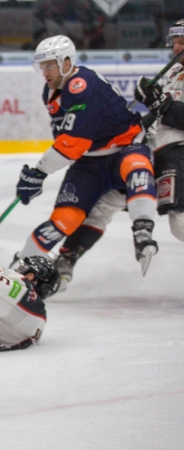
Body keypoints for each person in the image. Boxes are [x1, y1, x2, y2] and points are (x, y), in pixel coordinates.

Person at [53, 21, 184, 290]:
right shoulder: (174, 72)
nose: (178, 46)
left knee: (179, 221)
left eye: (183, 40)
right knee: (104, 200)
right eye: (176, 40)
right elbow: (159, 116)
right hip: (156, 151)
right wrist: (131, 127)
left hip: (179, 152)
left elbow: (170, 111)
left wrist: (162, 103)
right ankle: (66, 260)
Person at [13, 35, 158, 275]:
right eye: (42, 66)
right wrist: (39, 171)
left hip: (125, 149)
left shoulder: (82, 85)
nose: (45, 72)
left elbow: (73, 143)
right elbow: (66, 136)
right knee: (64, 218)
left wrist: (38, 172)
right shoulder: (51, 93)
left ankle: (143, 232)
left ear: (66, 63)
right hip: (89, 163)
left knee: (137, 168)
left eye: (50, 65)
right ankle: (22, 267)